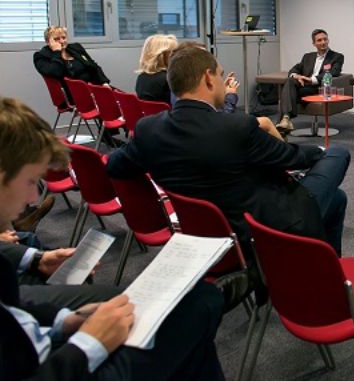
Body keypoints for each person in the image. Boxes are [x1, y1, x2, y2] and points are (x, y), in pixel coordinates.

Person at [0, 96, 225, 380]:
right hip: (63, 367)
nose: (34, 197)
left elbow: (12, 312)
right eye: (31, 181)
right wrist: (89, 343)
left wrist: (65, 321)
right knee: (199, 306)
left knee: (189, 318)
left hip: (37, 338)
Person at [107, 42, 350, 255]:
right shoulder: (236, 127)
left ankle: (326, 267)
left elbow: (115, 166)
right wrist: (320, 150)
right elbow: (292, 158)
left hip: (200, 233)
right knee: (338, 153)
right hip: (257, 233)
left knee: (337, 199)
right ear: (208, 78)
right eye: (220, 75)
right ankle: (315, 265)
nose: (224, 84)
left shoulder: (148, 129)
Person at [276, 28, 344, 132]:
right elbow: (294, 69)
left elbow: (333, 72)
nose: (323, 42)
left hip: (319, 88)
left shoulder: (337, 57)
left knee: (287, 94)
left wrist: (311, 80)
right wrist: (296, 76)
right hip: (304, 87)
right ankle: (285, 120)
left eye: (325, 39)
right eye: (319, 40)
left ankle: (283, 123)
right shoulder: (308, 56)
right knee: (290, 81)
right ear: (314, 43)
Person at [33, 26, 111, 99]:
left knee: (116, 95)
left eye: (64, 38)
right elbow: (56, 72)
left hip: (94, 86)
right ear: (48, 41)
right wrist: (57, 52)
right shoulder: (41, 56)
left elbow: (94, 66)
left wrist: (104, 82)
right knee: (110, 102)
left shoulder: (76, 47)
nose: (62, 41)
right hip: (73, 93)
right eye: (57, 39)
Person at [135, 34, 178, 104]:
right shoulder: (168, 79)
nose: (177, 55)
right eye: (173, 52)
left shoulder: (141, 77)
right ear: (161, 55)